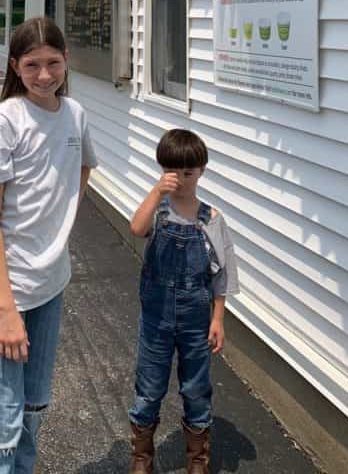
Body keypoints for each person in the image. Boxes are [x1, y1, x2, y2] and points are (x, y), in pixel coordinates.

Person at [0, 16, 97, 474]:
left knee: (35, 406)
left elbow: (82, 168)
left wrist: (60, 220)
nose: (45, 75)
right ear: (15, 66)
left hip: (51, 280)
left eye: (54, 63)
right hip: (4, 285)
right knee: (3, 417)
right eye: (32, 64)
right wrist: (5, 310)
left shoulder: (75, 114)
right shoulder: (4, 121)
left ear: (66, 62)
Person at [127, 128, 239, 474]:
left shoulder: (212, 220)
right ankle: (142, 456)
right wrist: (156, 190)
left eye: (188, 173)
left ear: (201, 171)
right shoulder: (157, 211)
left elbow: (222, 275)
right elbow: (136, 228)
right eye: (173, 173)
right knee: (149, 385)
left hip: (196, 319)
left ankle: (197, 459)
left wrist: (217, 318)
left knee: (196, 386)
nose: (181, 180)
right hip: (156, 317)